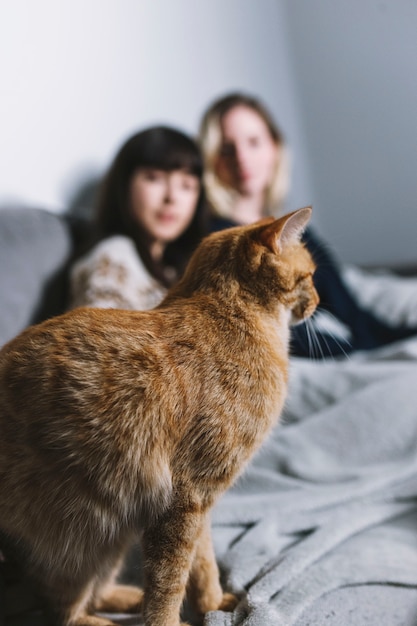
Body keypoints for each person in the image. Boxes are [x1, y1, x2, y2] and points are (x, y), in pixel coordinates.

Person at [199, 92, 417, 358]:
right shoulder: (217, 242)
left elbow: (353, 315)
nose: (242, 157)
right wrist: (356, 352)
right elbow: (282, 333)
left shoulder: (298, 233)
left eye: (254, 142)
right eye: (226, 148)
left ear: (275, 147)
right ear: (212, 159)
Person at [70, 125, 207, 311]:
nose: (171, 197)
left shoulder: (175, 269)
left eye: (186, 185)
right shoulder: (114, 258)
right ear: (124, 185)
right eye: (154, 178)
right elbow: (95, 338)